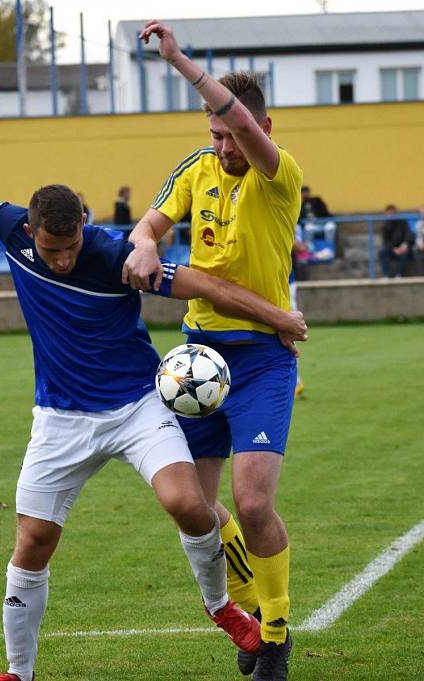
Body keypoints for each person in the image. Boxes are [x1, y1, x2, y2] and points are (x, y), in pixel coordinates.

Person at [0, 135, 307, 681]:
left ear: (84, 223)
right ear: (31, 232)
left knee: (189, 504)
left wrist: (276, 316)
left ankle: (221, 607)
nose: (63, 259)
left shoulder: (114, 256)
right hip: (59, 418)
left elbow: (206, 285)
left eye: (72, 245)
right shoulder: (12, 230)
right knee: (33, 541)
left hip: (137, 408)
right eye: (53, 249)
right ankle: (19, 671)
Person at [123, 21, 303, 681]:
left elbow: (245, 131)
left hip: (262, 358)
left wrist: (179, 61)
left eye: (230, 133)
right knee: (197, 508)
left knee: (253, 503)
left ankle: (277, 634)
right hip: (201, 359)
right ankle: (253, 614)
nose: (222, 143)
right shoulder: (196, 169)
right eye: (214, 134)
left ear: (260, 127)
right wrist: (145, 240)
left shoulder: (277, 173)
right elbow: (151, 224)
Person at [379, 204, 410, 278]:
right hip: (391, 248)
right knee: (382, 253)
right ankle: (387, 274)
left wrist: (404, 245)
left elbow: (408, 234)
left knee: (405, 253)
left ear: (396, 213)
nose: (391, 215)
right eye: (388, 213)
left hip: (403, 246)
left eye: (392, 213)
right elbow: (385, 240)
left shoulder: (403, 222)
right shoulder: (385, 226)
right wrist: (393, 248)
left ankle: (400, 274)